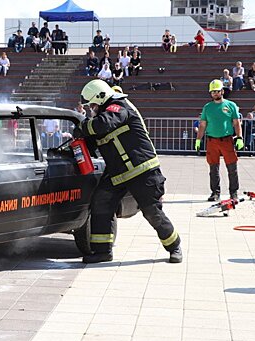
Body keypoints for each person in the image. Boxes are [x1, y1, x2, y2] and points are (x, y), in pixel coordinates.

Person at [75, 80, 182, 264]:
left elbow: (102, 125)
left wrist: (83, 127)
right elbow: (93, 141)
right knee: (101, 204)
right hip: (117, 173)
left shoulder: (119, 107)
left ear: (100, 98)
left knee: (151, 211)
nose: (91, 109)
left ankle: (174, 246)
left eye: (92, 104)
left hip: (142, 170)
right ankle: (102, 252)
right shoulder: (101, 116)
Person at [195, 79, 243, 202]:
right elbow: (202, 124)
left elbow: (236, 123)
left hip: (227, 140)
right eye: (213, 92)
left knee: (232, 167)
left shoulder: (230, 105)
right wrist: (198, 140)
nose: (215, 94)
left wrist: (239, 138)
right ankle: (215, 193)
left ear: (222, 91)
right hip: (212, 141)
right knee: (213, 168)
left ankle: (233, 193)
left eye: (217, 91)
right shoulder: (207, 107)